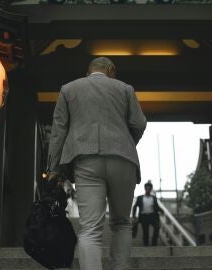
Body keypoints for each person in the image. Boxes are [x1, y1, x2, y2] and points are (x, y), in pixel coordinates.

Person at [46, 57, 147, 270]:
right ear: (110, 70)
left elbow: (58, 132)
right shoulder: (125, 89)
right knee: (121, 223)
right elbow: (139, 123)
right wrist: (126, 142)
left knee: (90, 228)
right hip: (123, 159)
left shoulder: (69, 89)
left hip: (86, 159)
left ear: (88, 72)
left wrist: (54, 168)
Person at [132, 181, 163, 246]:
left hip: (153, 216)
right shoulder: (140, 198)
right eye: (147, 188)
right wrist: (134, 216)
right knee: (145, 232)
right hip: (144, 217)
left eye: (149, 188)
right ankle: (146, 245)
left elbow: (157, 207)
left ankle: (154, 243)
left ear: (151, 189)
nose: (148, 190)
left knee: (157, 228)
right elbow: (135, 207)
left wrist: (162, 211)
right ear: (145, 189)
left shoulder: (154, 198)